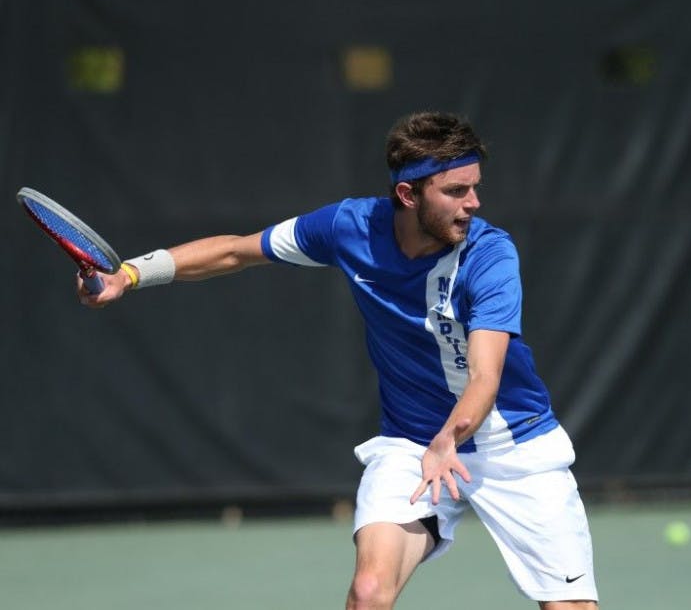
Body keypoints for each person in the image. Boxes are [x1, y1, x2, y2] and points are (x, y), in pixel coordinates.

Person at [79, 111, 599, 610]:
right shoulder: (350, 227)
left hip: (514, 446)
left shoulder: (490, 257)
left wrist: (451, 439)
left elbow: (485, 377)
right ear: (407, 194)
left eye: (475, 187)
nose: (474, 203)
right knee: (370, 591)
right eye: (456, 191)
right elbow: (236, 251)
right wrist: (127, 275)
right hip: (414, 445)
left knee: (568, 605)